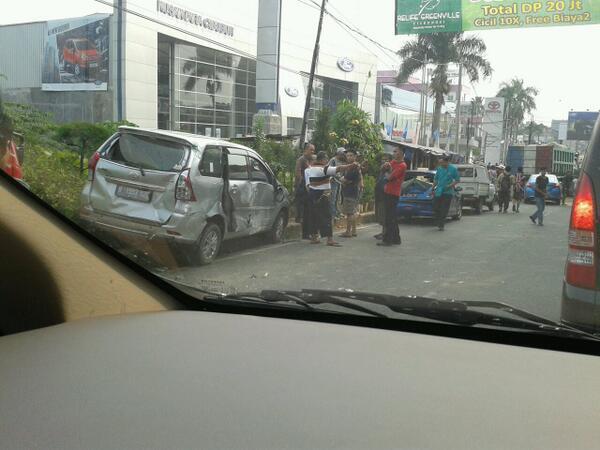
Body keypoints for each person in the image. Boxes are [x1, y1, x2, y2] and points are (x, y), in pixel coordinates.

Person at [304, 151, 358, 246]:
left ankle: (314, 237)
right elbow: (339, 168)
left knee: (313, 217)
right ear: (323, 159)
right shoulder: (324, 169)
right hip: (323, 195)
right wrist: (351, 165)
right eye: (326, 159)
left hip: (312, 194)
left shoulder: (309, 169)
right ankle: (329, 239)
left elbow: (307, 185)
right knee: (327, 217)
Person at [378, 147, 406, 247]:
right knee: (392, 217)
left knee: (389, 218)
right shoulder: (393, 162)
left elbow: (390, 177)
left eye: (396, 151)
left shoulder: (402, 165)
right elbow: (382, 170)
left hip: (393, 193)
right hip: (387, 191)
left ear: (401, 153)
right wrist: (384, 166)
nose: (393, 153)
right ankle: (396, 238)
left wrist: (387, 170)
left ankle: (387, 239)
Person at [339, 149, 363, 238]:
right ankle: (354, 231)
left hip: (350, 192)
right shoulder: (352, 167)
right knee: (352, 212)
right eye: (348, 155)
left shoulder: (354, 168)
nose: (348, 157)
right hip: (351, 191)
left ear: (355, 157)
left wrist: (342, 179)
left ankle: (348, 231)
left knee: (350, 213)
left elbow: (345, 179)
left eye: (351, 155)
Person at [432, 156, 460, 231]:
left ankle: (441, 225)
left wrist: (450, 185)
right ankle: (438, 220)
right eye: (440, 163)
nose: (440, 164)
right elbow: (436, 179)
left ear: (447, 162)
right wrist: (432, 188)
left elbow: (457, 180)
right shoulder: (439, 168)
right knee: (435, 207)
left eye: (442, 162)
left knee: (444, 209)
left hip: (448, 192)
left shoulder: (453, 169)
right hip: (439, 190)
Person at [294, 143, 315, 239]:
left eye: (313, 150)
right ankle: (304, 233)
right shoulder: (301, 160)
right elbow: (298, 174)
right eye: (311, 150)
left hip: (308, 188)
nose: (312, 152)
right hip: (302, 188)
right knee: (303, 211)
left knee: (308, 211)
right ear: (306, 150)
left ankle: (306, 233)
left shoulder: (309, 160)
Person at [374, 153, 392, 240]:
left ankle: (385, 233)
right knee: (380, 215)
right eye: (383, 160)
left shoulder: (389, 171)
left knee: (384, 215)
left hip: (385, 196)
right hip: (379, 195)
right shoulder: (382, 171)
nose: (384, 161)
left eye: (386, 160)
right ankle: (383, 232)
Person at [328, 148, 346, 221]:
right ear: (339, 153)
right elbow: (329, 170)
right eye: (343, 153)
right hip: (334, 181)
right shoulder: (333, 160)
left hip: (339, 182)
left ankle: (337, 212)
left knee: (338, 198)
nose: (344, 155)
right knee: (333, 198)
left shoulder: (342, 161)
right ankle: (333, 214)